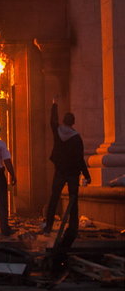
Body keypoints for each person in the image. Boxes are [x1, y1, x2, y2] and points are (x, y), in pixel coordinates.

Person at [44, 99, 91, 249]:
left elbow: (53, 120)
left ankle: (48, 226)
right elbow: (80, 158)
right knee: (73, 200)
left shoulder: (58, 131)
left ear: (64, 121)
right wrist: (86, 174)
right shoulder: (76, 138)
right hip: (72, 173)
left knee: (54, 198)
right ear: (73, 122)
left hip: (60, 171)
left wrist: (54, 105)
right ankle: (73, 227)